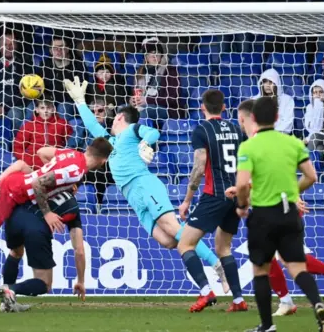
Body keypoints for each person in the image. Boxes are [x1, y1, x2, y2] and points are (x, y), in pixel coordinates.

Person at [63, 77, 230, 302]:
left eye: (114, 118)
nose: (111, 121)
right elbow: (93, 127)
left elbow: (153, 133)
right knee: (169, 240)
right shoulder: (112, 142)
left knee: (176, 231)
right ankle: (207, 287)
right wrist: (80, 102)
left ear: (120, 116)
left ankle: (218, 267)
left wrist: (144, 144)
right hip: (134, 200)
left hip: (144, 186)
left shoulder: (131, 130)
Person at [232, 99, 324, 318]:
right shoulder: (263, 142)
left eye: (241, 120)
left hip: (280, 206)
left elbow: (272, 179)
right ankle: (286, 300)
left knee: (288, 261)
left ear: (248, 119)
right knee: (276, 259)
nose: (240, 124)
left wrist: (291, 195)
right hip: (275, 204)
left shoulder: (255, 143)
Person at [177, 89, 247, 313]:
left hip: (214, 194)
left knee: (185, 244)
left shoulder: (202, 130)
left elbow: (199, 167)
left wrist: (187, 199)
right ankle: (238, 300)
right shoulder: (237, 130)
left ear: (202, 107)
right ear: (224, 107)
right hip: (235, 195)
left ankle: (206, 291)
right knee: (223, 247)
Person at [0, 190, 86, 313]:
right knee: (45, 283)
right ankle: (11, 289)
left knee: (16, 252)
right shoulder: (73, 205)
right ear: (75, 188)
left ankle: (7, 303)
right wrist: (81, 281)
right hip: (36, 227)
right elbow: (79, 250)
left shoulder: (45, 184)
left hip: (14, 216)